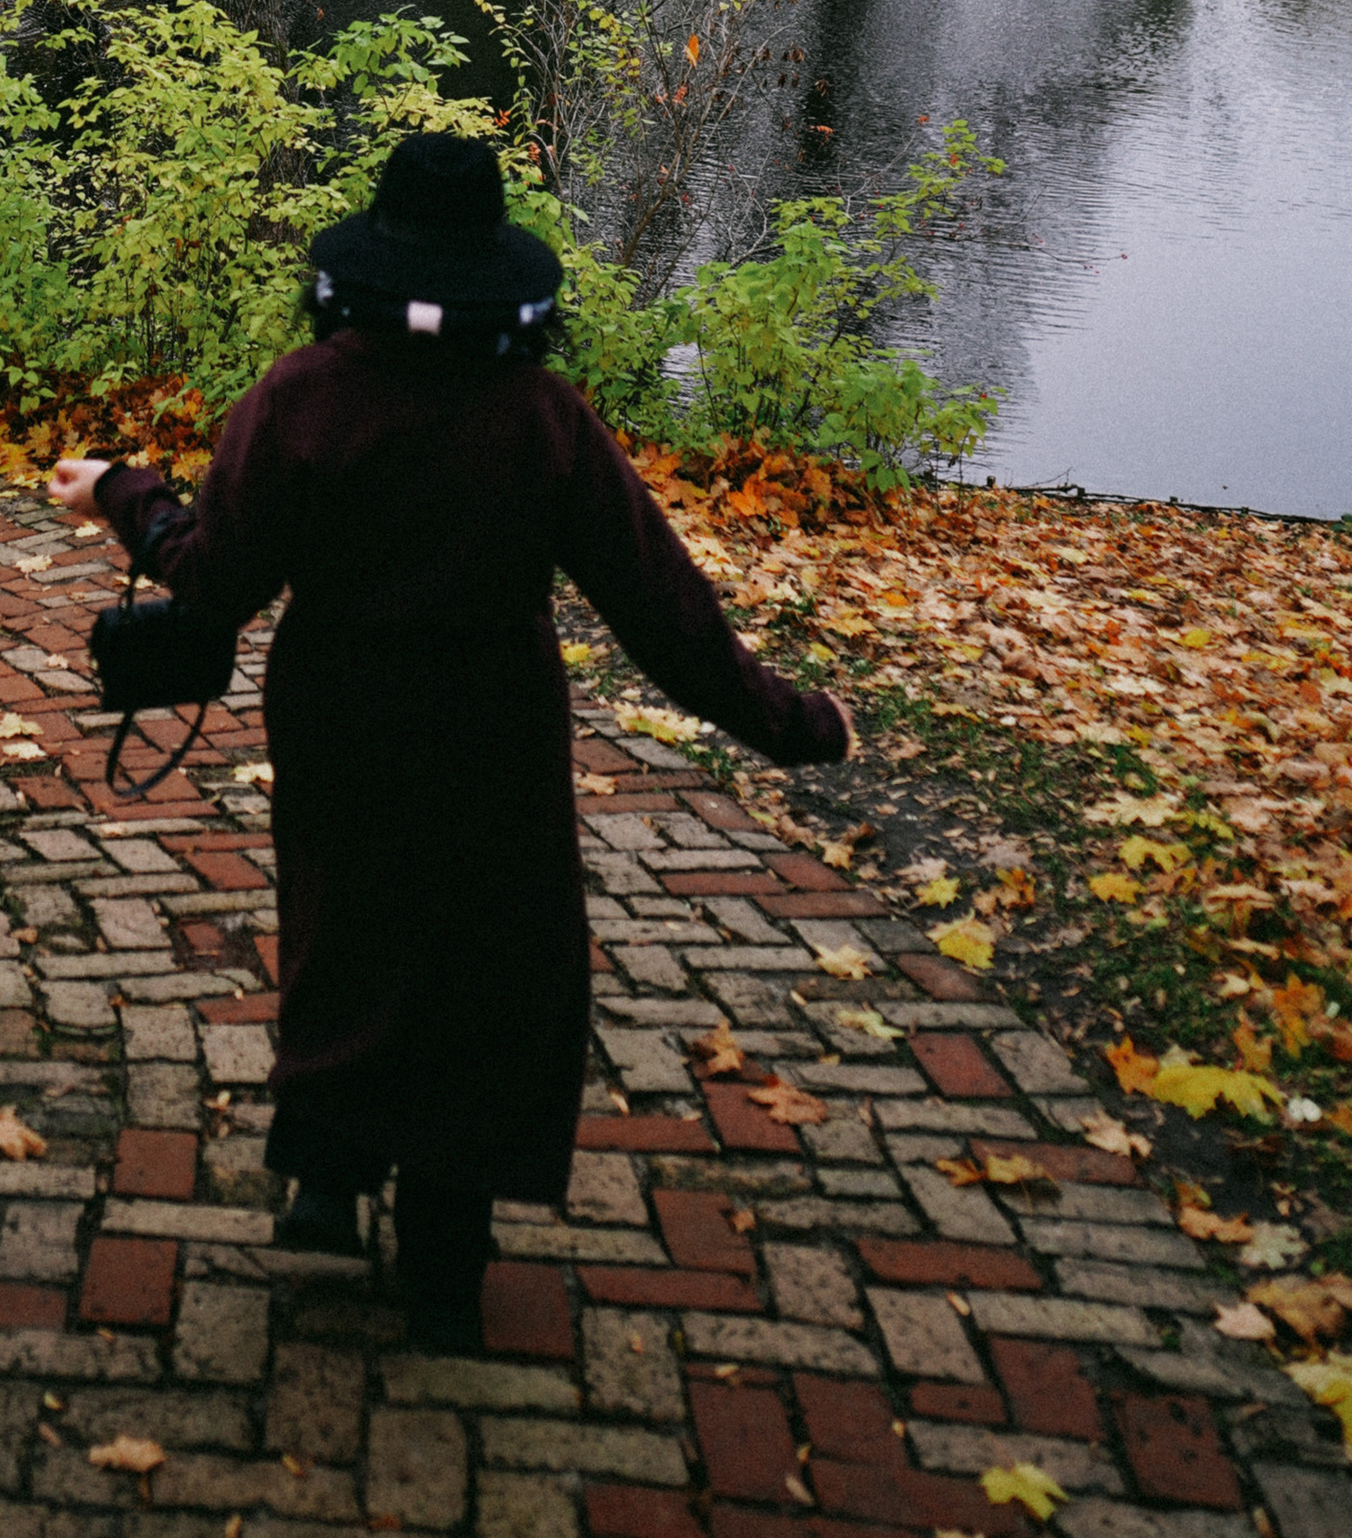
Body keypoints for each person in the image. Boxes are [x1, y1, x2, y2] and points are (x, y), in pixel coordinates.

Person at [49, 130, 852, 1352]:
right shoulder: (542, 419)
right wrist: (792, 723)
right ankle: (441, 1269)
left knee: (348, 920)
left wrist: (124, 493)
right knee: (486, 966)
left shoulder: (299, 399)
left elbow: (209, 584)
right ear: (493, 275)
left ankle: (325, 1168)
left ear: (362, 264)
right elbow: (661, 608)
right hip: (492, 723)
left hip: (339, 712)